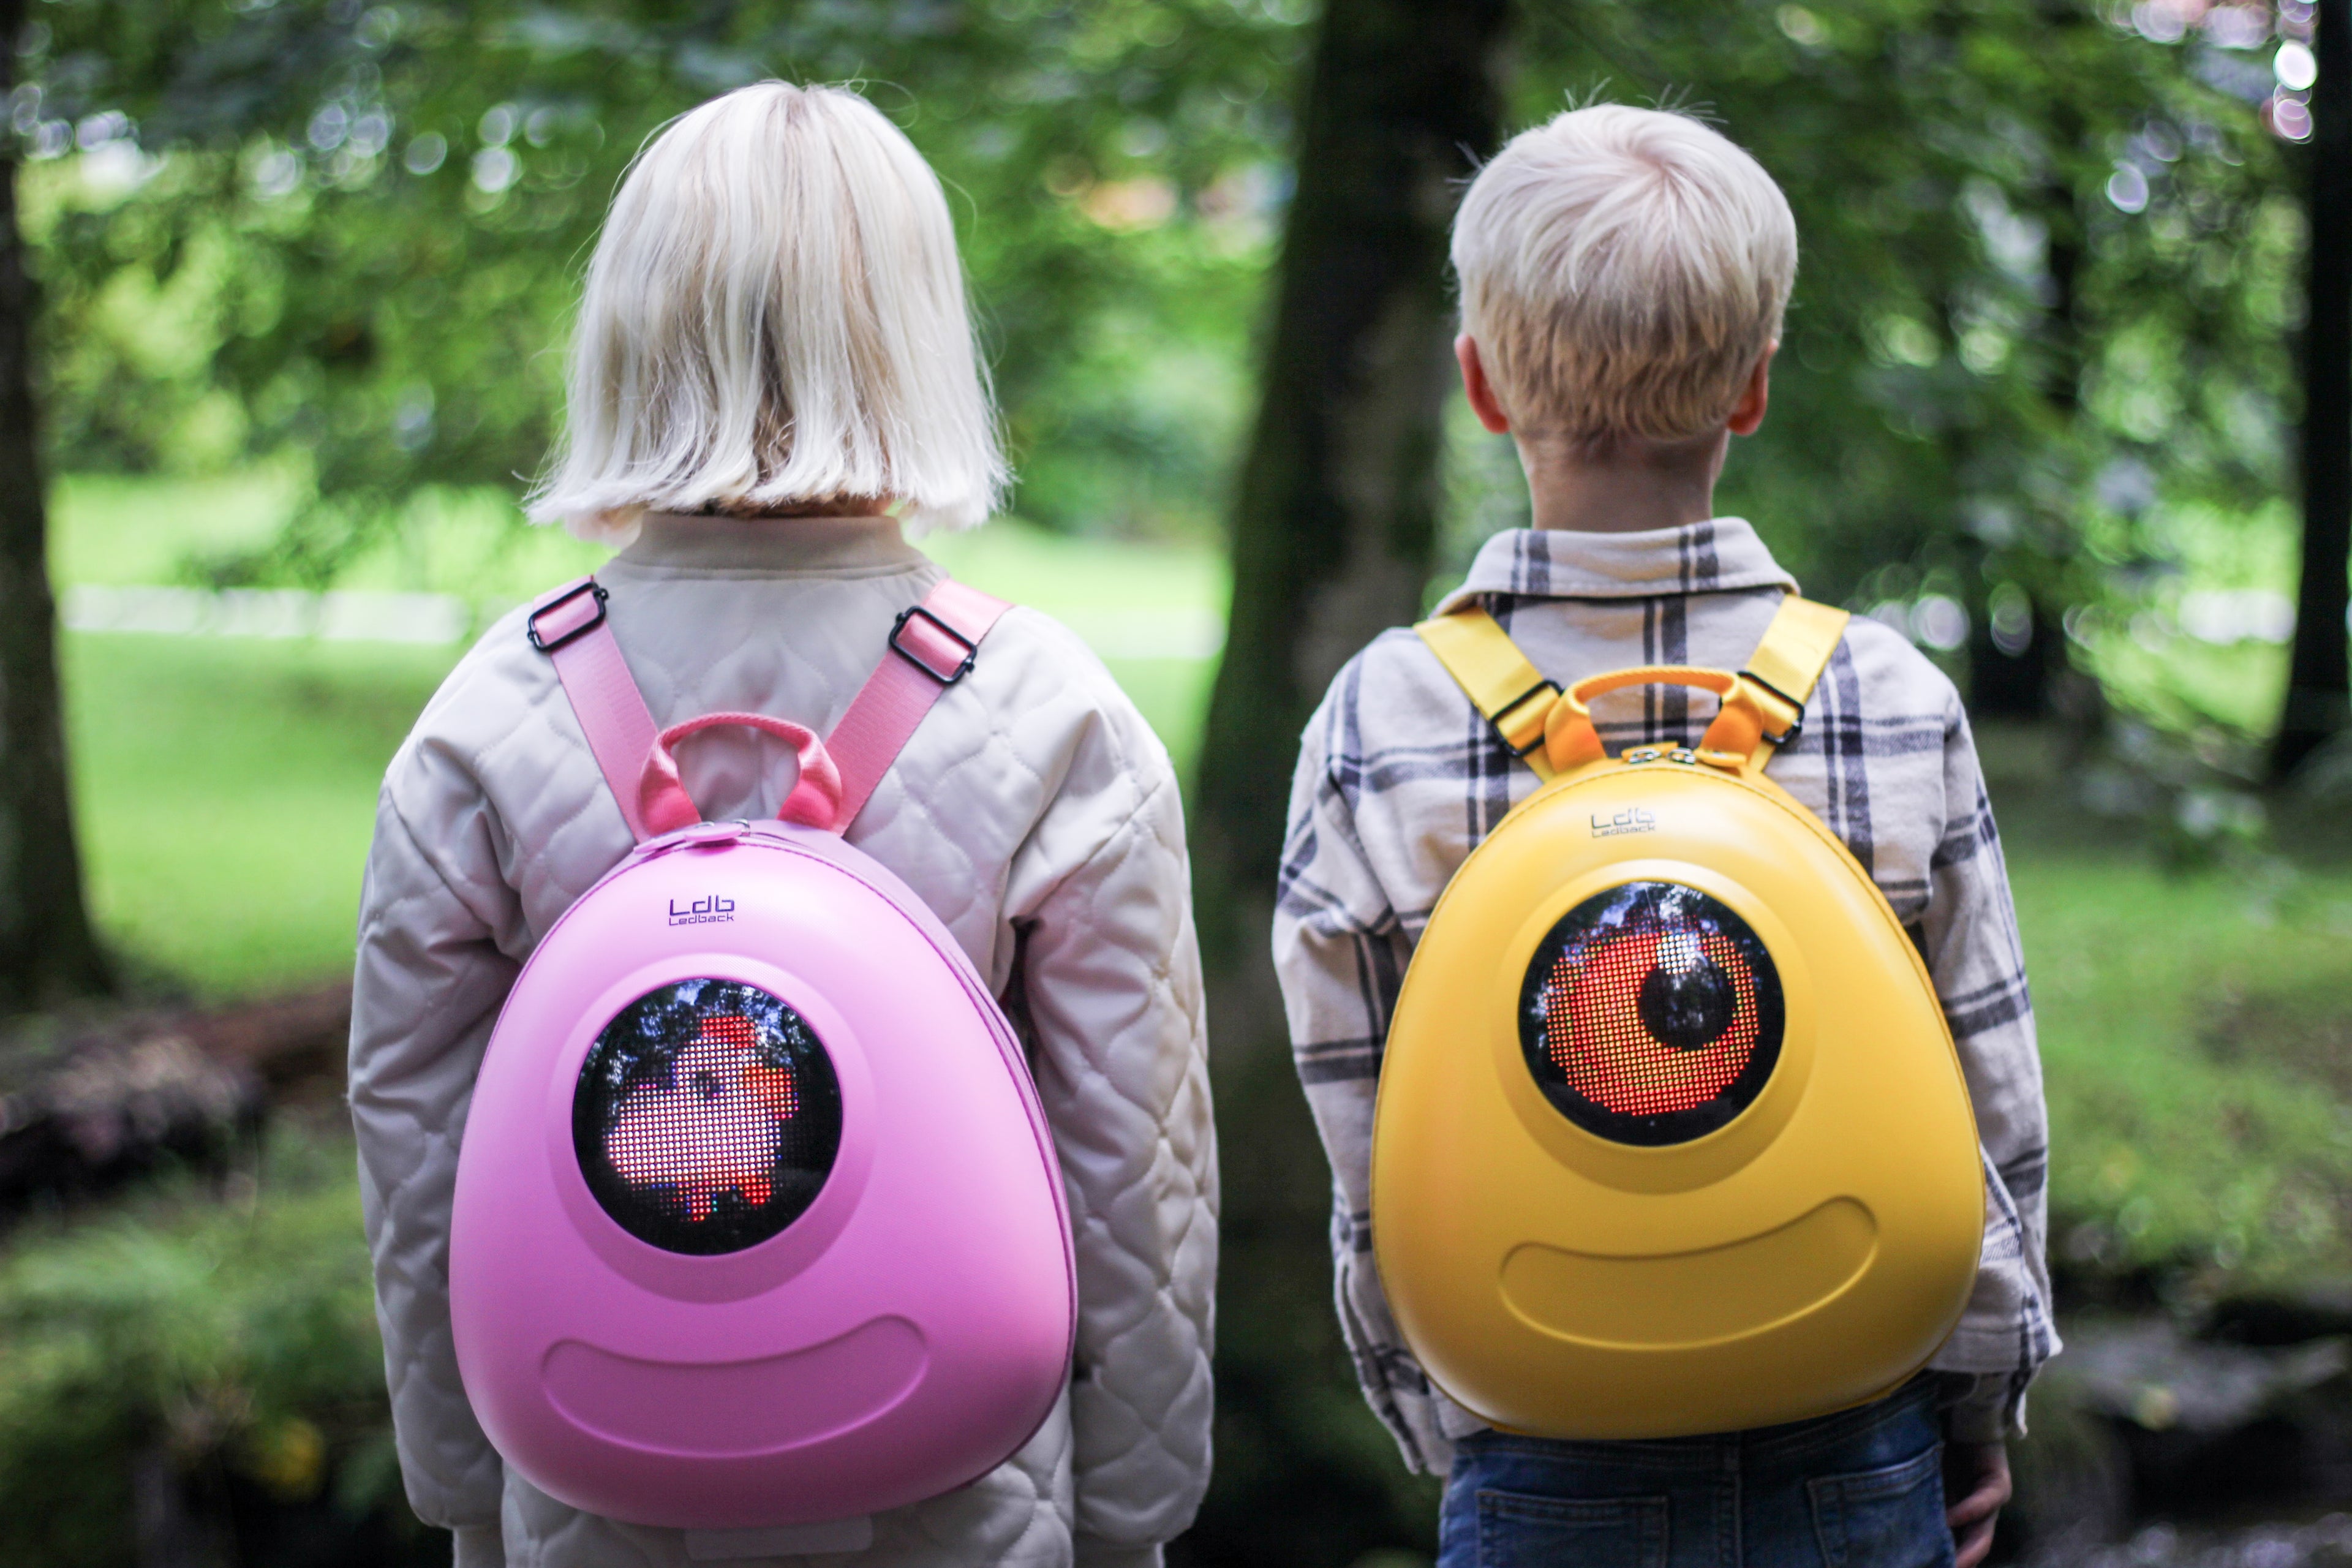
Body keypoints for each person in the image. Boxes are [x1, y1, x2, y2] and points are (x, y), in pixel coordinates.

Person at [349, 82, 1216, 1568]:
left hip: (600, 1480)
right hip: (960, 1487)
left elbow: (418, 1145)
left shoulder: (488, 715)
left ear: (625, 332)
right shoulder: (1049, 711)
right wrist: (1137, 1506)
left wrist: (464, 1486)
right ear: (916, 340)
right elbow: (1134, 1162)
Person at [1271, 104, 2052, 1568]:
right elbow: (1987, 1099)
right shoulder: (1889, 699)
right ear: (1754, 388)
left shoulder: (1378, 722)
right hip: (1855, 1426)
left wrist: (1442, 1416)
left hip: (1538, 1433)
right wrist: (1981, 1401)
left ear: (1480, 384)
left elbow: (1372, 1147)